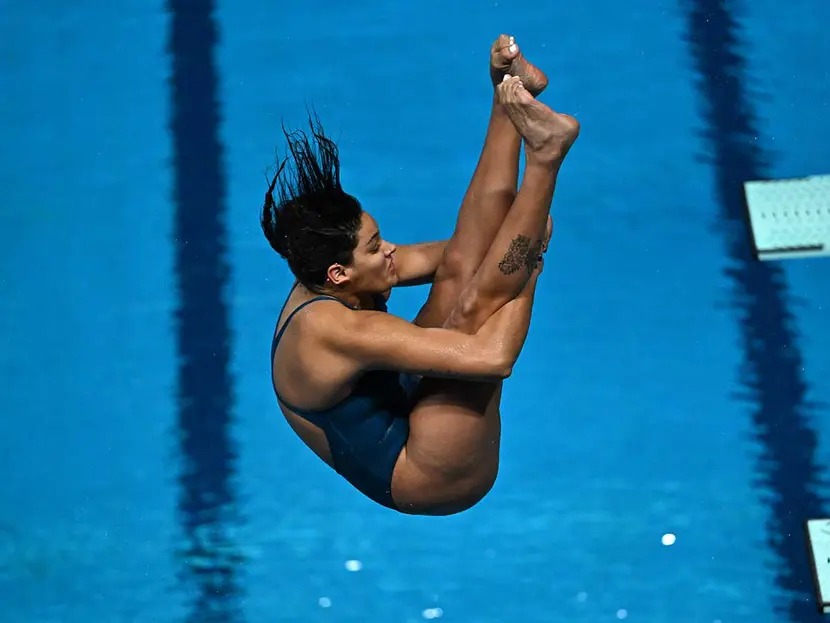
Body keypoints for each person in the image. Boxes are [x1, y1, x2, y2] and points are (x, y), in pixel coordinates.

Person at [261, 34, 579, 516]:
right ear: (339, 274)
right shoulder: (336, 330)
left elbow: (460, 254)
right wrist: (529, 265)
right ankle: (546, 157)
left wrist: (515, 237)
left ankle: (508, 100)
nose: (390, 250)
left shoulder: (331, 276)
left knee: (461, 269)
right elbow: (494, 358)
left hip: (407, 400)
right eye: (375, 248)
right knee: (474, 308)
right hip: (427, 475)